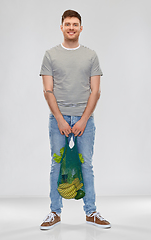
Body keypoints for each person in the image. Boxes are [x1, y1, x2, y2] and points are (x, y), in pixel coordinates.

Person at [39, 9, 111, 230]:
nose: (71, 27)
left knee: (86, 164)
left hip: (85, 120)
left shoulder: (91, 55)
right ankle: (54, 212)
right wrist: (60, 120)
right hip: (57, 120)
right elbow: (48, 91)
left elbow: (95, 91)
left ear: (81, 28)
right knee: (56, 164)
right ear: (61, 27)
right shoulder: (50, 55)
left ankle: (91, 212)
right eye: (67, 24)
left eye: (75, 24)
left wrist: (83, 120)